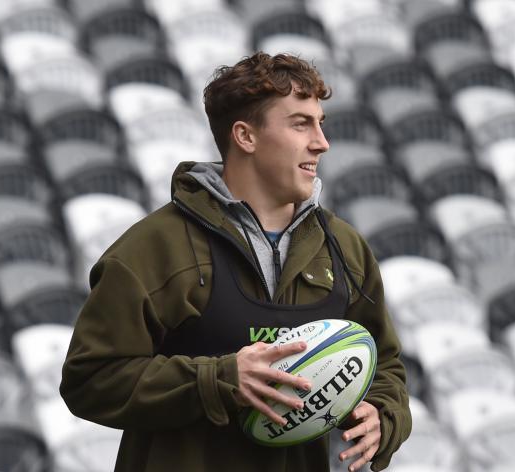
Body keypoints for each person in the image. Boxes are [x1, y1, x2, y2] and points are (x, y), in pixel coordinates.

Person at [60, 52, 411, 472]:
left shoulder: (344, 248)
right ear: (245, 137)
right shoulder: (153, 248)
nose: (321, 142)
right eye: (301, 123)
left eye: (320, 123)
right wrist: (219, 379)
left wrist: (382, 415)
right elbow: (89, 379)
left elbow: (385, 364)